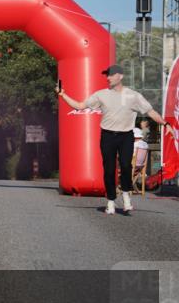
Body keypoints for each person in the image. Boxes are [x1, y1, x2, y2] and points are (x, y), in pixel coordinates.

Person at [58, 64, 167, 215]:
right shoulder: (101, 94)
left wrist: (166, 124)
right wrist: (63, 95)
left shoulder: (133, 96)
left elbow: (151, 112)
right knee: (109, 170)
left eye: (110, 74)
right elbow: (80, 105)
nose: (108, 77)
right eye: (107, 75)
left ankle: (126, 196)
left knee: (126, 165)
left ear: (120, 76)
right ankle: (110, 201)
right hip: (108, 136)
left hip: (126, 136)